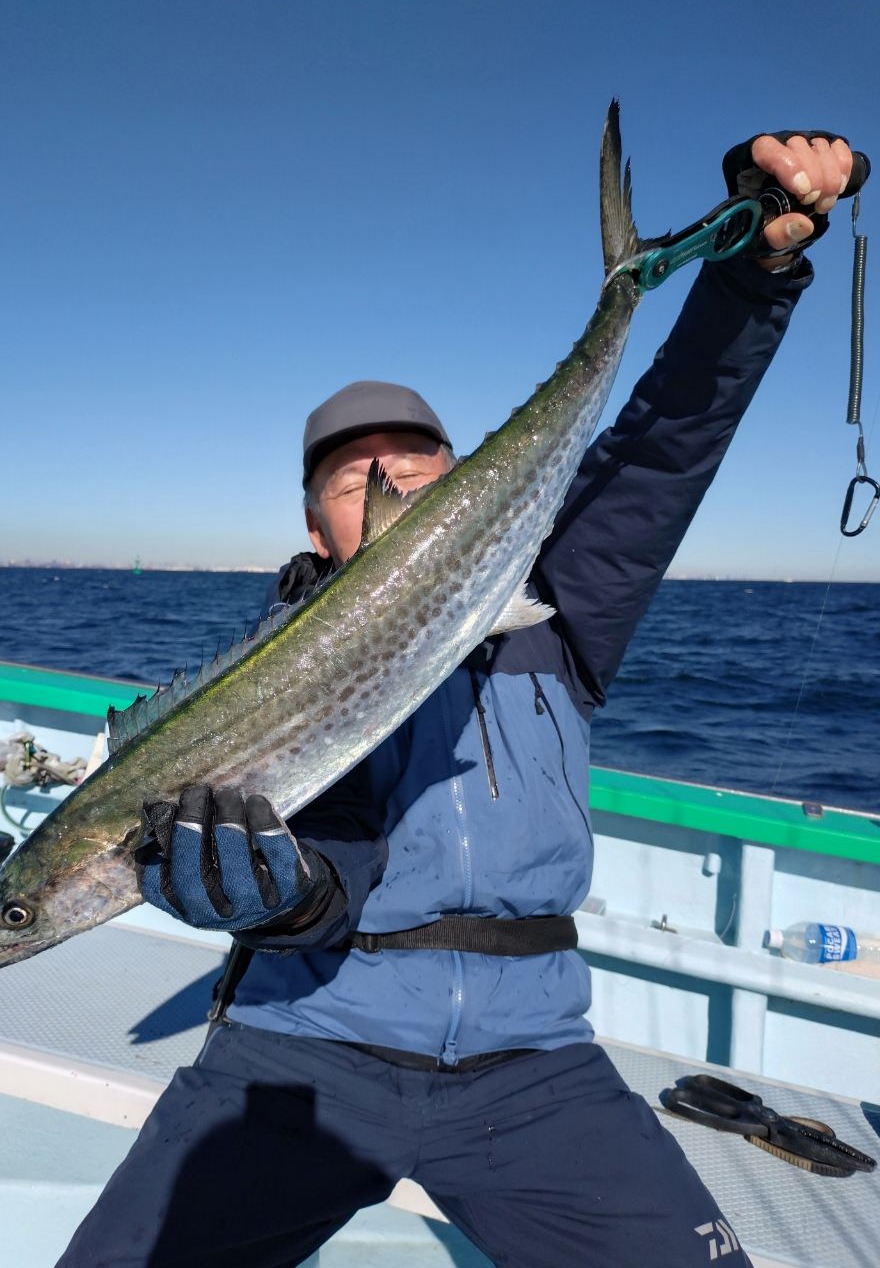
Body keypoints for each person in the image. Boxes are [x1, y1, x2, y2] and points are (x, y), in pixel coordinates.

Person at [58, 130, 855, 1267]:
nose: (388, 482)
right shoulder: (267, 678)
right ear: (318, 530)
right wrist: (282, 902)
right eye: (353, 476)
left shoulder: (559, 619)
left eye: (421, 465)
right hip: (306, 1044)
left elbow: (664, 446)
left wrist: (751, 275)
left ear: (473, 488)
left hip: (538, 1067)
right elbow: (333, 866)